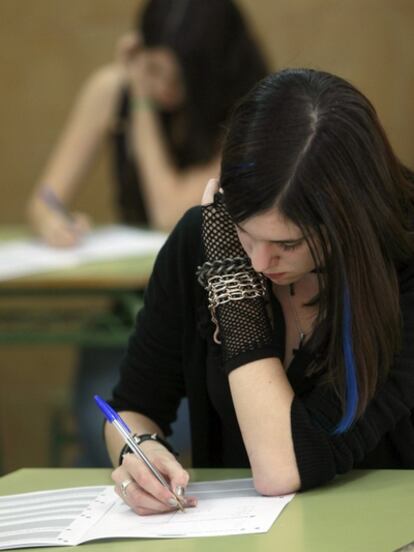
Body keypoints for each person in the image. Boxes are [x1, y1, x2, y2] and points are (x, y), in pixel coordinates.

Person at [104, 67, 414, 515]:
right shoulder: (205, 238)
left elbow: (282, 468)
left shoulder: (400, 269)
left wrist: (234, 293)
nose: (259, 263)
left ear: (352, 220)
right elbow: (131, 407)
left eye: (288, 244)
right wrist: (139, 449)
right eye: (246, 233)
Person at [27, 0, 267, 466]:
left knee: (191, 439)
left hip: (216, 305)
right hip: (133, 304)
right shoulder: (108, 87)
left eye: (178, 77)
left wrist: (138, 104)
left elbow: (171, 211)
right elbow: (44, 199)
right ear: (138, 53)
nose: (162, 88)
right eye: (152, 70)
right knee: (111, 431)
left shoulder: (249, 105)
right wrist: (54, 220)